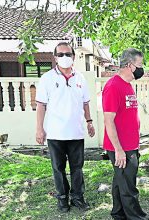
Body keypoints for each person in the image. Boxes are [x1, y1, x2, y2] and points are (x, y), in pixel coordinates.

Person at [35, 42, 95, 212]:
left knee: (77, 168)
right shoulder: (47, 78)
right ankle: (62, 199)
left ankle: (78, 197)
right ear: (55, 58)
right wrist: (39, 128)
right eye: (60, 55)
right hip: (55, 133)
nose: (64, 58)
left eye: (67, 54)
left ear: (73, 57)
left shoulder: (80, 78)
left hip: (76, 132)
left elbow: (85, 103)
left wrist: (89, 121)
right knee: (58, 169)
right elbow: (41, 106)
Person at [102, 48, 148, 220]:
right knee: (129, 187)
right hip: (121, 147)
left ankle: (118, 214)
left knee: (120, 182)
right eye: (140, 65)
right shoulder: (113, 87)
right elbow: (109, 121)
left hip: (130, 144)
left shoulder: (127, 85)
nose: (141, 68)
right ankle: (136, 218)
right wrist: (119, 150)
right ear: (130, 65)